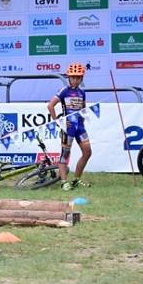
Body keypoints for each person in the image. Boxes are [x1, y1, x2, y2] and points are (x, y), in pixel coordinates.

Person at [48, 63, 92, 191]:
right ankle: (63, 182)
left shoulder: (82, 92)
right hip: (68, 128)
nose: (76, 80)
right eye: (73, 77)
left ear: (81, 79)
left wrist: (82, 119)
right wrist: (58, 122)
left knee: (87, 152)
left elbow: (83, 108)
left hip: (80, 127)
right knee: (65, 154)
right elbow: (50, 106)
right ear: (69, 78)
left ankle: (77, 179)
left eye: (78, 77)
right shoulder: (64, 90)